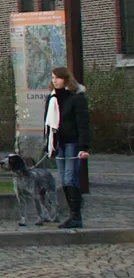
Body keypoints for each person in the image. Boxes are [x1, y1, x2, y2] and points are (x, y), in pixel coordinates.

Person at [44, 66, 91, 229]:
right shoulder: (52, 99)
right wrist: (48, 144)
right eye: (53, 77)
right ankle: (73, 214)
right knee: (64, 178)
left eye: (58, 77)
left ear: (66, 79)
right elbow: (48, 125)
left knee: (70, 177)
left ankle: (76, 216)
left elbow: (83, 124)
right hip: (59, 143)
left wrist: (84, 146)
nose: (55, 80)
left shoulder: (76, 98)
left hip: (72, 143)